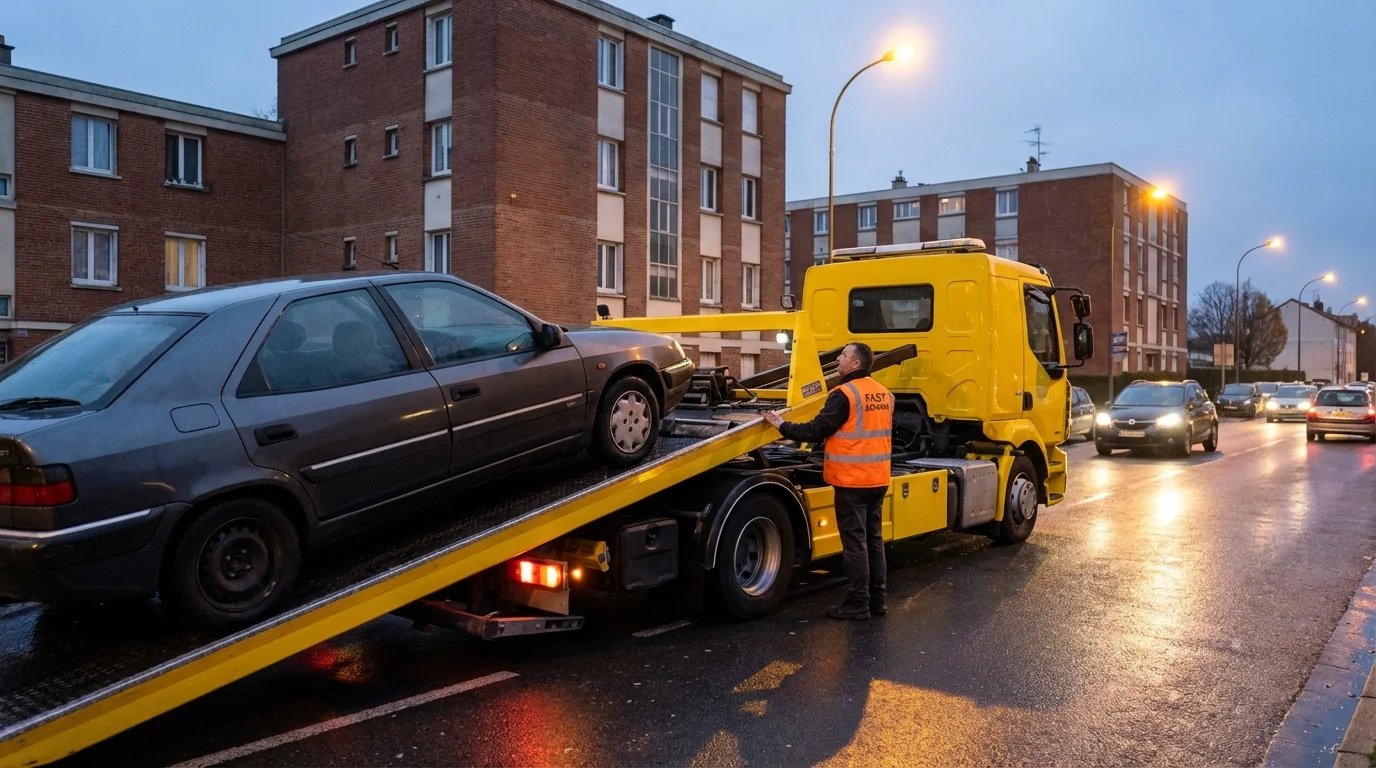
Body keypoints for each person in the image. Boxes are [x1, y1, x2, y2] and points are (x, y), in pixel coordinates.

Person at [764, 342, 893, 620]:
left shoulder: (844, 394)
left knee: (856, 544)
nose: (838, 358)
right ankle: (877, 601)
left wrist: (780, 424)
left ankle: (859, 603)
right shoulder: (884, 394)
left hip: (851, 482)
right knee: (873, 540)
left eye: (844, 355)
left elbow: (816, 429)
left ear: (855, 364)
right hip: (878, 479)